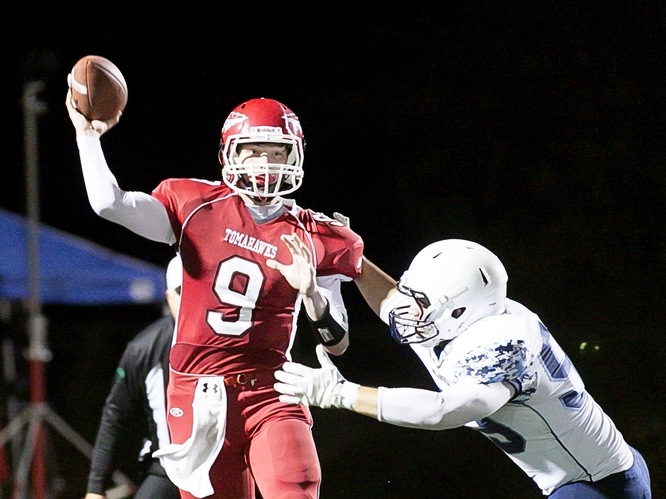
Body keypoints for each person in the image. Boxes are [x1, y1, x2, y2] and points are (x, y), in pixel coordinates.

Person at [65, 87, 363, 499]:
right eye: (255, 150)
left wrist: (311, 292)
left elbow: (339, 342)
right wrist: (88, 137)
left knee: (295, 485)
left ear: (295, 156)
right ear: (231, 154)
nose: (265, 163)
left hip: (271, 385)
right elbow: (108, 204)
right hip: (197, 389)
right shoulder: (193, 205)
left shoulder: (318, 235)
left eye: (277, 152)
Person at [273, 239, 652, 498]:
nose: (408, 310)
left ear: (458, 309)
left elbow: (443, 411)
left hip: (599, 486)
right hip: (588, 475)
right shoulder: (464, 315)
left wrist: (341, 394)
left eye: (420, 302)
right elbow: (391, 301)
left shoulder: (500, 343)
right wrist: (353, 259)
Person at [85, 256, 182, 499]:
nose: (192, 301)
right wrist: (96, 487)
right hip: (170, 467)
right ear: (169, 297)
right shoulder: (144, 350)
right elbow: (117, 414)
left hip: (226, 465)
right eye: (183, 292)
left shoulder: (235, 341)